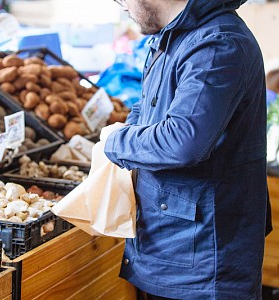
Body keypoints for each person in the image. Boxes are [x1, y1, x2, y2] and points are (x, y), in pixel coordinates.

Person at [102, 0, 272, 299]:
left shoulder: (217, 44)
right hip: (173, 245)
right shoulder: (173, 37)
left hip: (204, 260)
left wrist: (113, 142)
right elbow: (147, 107)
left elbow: (183, 141)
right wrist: (125, 131)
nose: (122, 6)